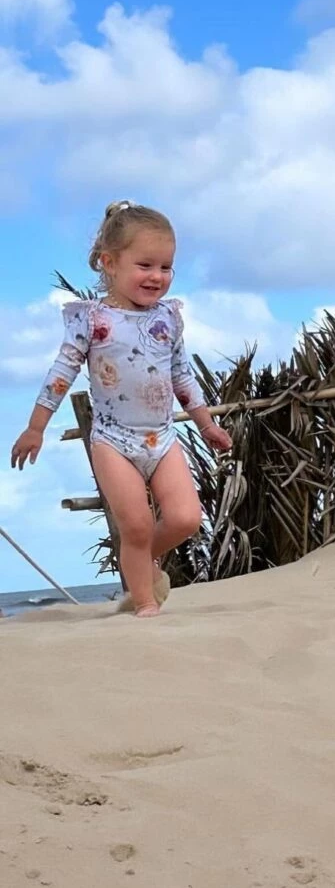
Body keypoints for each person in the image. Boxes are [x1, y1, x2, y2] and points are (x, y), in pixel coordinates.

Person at [10, 200, 232, 617]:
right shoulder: (92, 319)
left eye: (166, 267)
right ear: (109, 262)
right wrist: (35, 427)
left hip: (162, 436)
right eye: (145, 265)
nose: (157, 277)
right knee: (135, 524)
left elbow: (182, 376)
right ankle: (145, 603)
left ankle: (140, 557)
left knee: (185, 518)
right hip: (113, 441)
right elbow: (61, 374)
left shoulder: (170, 318)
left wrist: (206, 426)